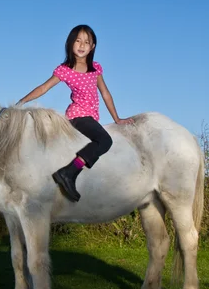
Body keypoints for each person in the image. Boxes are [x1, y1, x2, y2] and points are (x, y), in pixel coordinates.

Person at [17, 24, 134, 202]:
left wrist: (117, 119)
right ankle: (69, 172)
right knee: (105, 141)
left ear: (92, 46)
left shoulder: (95, 69)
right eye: (78, 41)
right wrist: (22, 102)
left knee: (102, 140)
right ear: (71, 43)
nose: (81, 45)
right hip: (77, 116)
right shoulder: (65, 70)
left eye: (86, 42)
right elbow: (44, 88)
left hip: (91, 117)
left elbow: (105, 94)